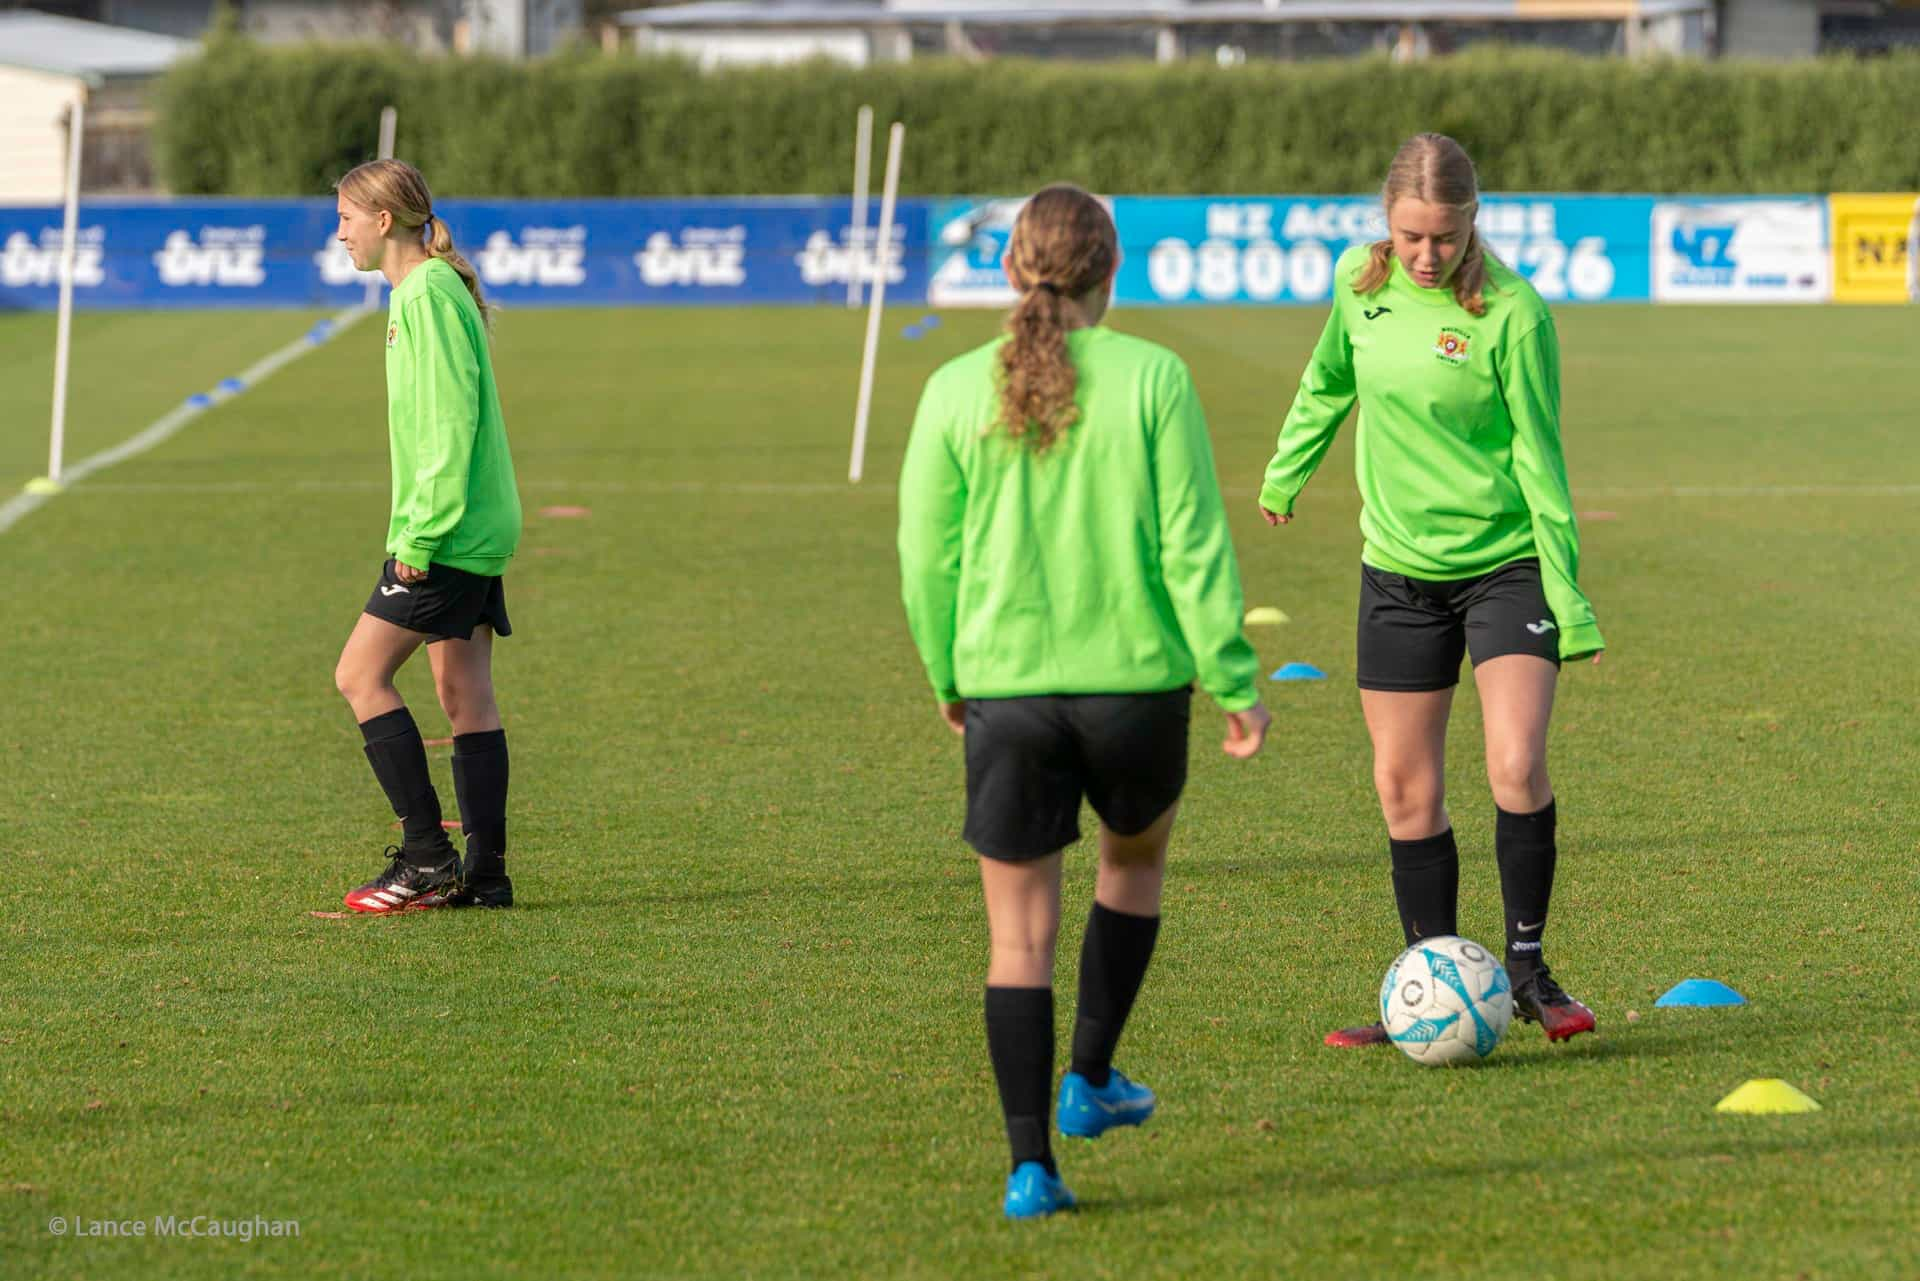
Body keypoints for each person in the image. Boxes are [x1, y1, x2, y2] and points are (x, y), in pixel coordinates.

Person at [898, 184, 1271, 1219]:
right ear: (1111, 274)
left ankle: (1030, 1168)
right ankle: (1093, 1078)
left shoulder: (951, 387)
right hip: (1137, 687)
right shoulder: (1156, 375)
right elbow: (1192, 545)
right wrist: (1234, 681)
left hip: (1006, 691)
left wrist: (947, 675)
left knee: (1017, 940)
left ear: (1012, 270)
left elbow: (925, 560)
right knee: (1132, 862)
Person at [1257, 134, 1604, 1047]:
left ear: (1471, 225)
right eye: (1410, 236)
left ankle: (1528, 969)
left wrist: (1567, 597)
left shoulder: (1515, 315)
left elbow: (1542, 460)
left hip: (1504, 565)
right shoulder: (1358, 284)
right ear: (1387, 222)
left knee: (1515, 764)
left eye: (1443, 239)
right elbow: (1329, 378)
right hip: (1397, 573)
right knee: (1404, 789)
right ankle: (1430, 982)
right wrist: (1284, 474)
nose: (1424, 255)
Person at [331, 159, 522, 913]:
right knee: (462, 690)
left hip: (447, 531)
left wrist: (420, 535)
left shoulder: (427, 298)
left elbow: (449, 423)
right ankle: (488, 875)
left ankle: (425, 856)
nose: (338, 232)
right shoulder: (425, 292)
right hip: (469, 526)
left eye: (346, 216)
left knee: (359, 675)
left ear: (384, 221)